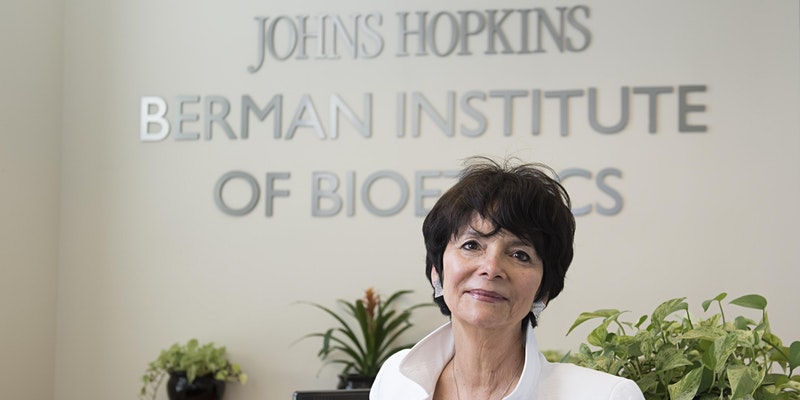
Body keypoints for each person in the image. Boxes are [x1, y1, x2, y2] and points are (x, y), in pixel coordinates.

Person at [370, 157, 644, 400]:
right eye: (471, 245)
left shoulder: (605, 395)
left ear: (543, 290)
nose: (491, 268)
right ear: (436, 270)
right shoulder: (396, 380)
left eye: (520, 255)